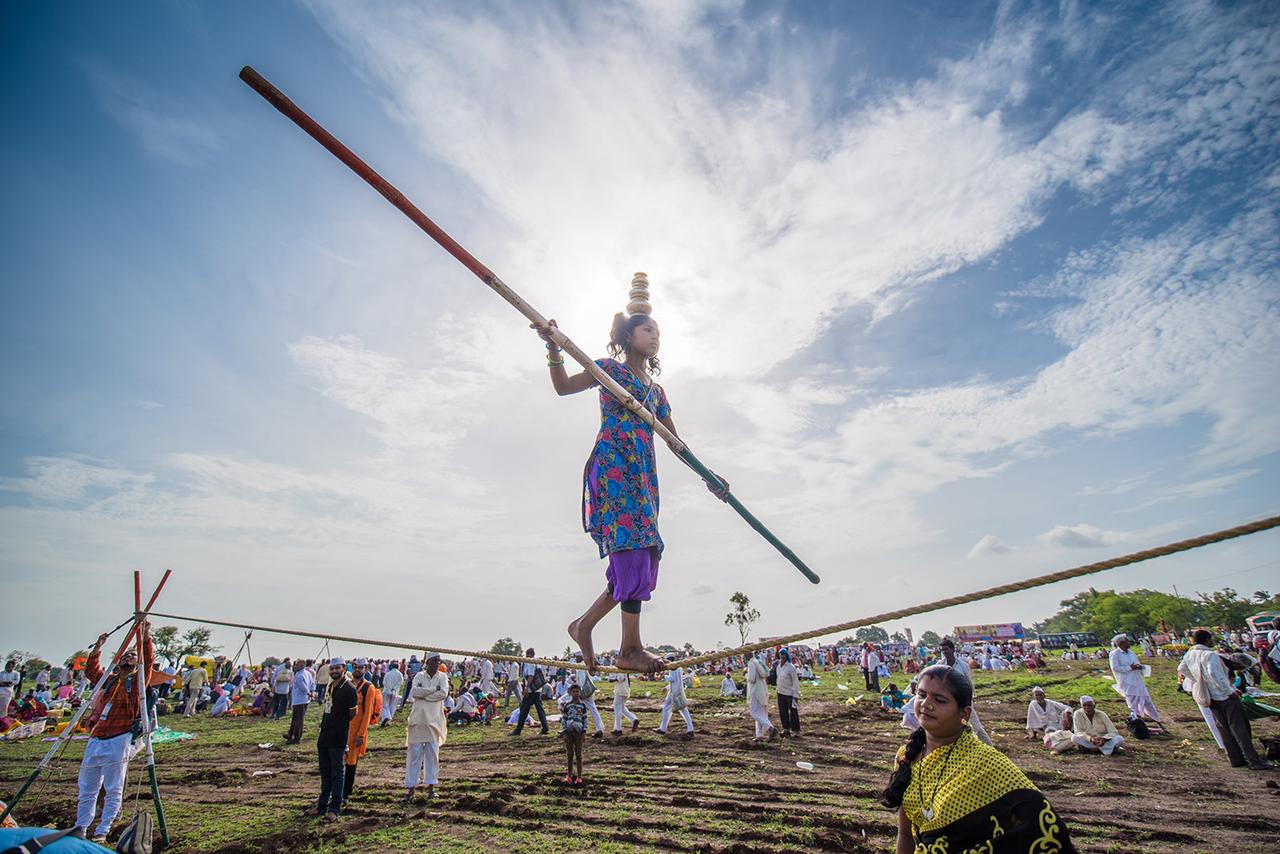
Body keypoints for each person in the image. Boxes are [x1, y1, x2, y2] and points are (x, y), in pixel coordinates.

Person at [532, 273, 728, 673]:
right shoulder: (607, 371)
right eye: (647, 329)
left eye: (657, 331)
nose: (655, 336)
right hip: (615, 469)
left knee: (644, 553)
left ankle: (584, 625)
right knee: (631, 548)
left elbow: (677, 444)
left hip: (643, 476)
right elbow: (564, 387)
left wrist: (711, 477)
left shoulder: (656, 393)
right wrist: (553, 348)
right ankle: (630, 648)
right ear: (627, 335)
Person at [882, 665, 1075, 854]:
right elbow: (905, 833)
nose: (926, 704)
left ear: (964, 714)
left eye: (940, 700)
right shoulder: (905, 756)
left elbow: (1040, 827)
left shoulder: (987, 762)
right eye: (922, 695)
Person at [75, 624, 154, 843]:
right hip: (97, 738)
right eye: (126, 654)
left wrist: (146, 637)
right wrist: (98, 647)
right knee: (87, 788)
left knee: (113, 787)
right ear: (118, 662)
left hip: (119, 738)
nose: (129, 657)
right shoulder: (109, 680)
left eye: (133, 655)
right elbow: (91, 671)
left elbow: (147, 662)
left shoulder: (137, 682)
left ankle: (103, 829)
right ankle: (80, 826)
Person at [1178, 629, 1273, 770]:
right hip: (1225, 697)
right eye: (1210, 639)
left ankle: (1236, 759)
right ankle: (1254, 761)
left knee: (1224, 729)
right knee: (1241, 729)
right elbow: (1215, 674)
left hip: (1211, 697)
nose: (1212, 641)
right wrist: (1230, 691)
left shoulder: (1191, 654)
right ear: (1206, 640)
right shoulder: (1210, 655)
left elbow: (1182, 668)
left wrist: (1199, 679)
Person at [312, 659, 356, 822]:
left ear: (344, 669)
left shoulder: (349, 688)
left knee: (337, 773)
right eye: (332, 668)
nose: (335, 671)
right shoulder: (331, 686)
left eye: (337, 668)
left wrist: (339, 722)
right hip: (325, 735)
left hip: (338, 736)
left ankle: (334, 808)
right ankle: (322, 805)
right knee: (325, 772)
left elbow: (353, 714)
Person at [405, 652, 449, 802]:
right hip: (418, 721)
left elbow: (443, 694)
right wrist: (432, 691)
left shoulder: (442, 677)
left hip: (434, 722)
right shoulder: (419, 676)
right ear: (428, 662)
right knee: (414, 757)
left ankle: (431, 788)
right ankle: (411, 790)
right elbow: (415, 692)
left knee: (432, 756)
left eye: (438, 661)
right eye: (434, 661)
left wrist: (424, 695)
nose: (437, 663)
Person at [937, 639, 992, 745]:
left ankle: (992, 750)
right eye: (942, 650)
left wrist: (969, 701)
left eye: (946, 649)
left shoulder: (963, 665)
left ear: (952, 650)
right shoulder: (940, 665)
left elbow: (969, 683)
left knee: (977, 728)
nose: (944, 652)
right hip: (948, 702)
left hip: (964, 701)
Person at [343, 659, 381, 803]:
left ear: (365, 669)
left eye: (361, 667)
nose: (357, 669)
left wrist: (361, 735)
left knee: (351, 761)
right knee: (340, 760)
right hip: (343, 729)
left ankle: (346, 793)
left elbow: (367, 713)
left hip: (356, 731)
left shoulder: (368, 687)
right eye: (355, 667)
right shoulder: (348, 684)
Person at [1108, 635, 1161, 723]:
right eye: (1127, 641)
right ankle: (1137, 722)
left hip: (1138, 680)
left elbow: (1136, 663)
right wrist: (1130, 667)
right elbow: (1115, 668)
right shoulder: (1115, 654)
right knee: (1133, 702)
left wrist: (1140, 667)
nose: (1129, 643)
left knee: (1146, 700)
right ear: (1121, 643)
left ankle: (1157, 719)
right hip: (1127, 682)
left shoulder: (1131, 653)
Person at [511, 650, 549, 736]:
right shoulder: (536, 662)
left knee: (523, 709)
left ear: (529, 654)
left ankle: (518, 730)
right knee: (539, 710)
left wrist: (527, 688)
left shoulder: (531, 663)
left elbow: (531, 676)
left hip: (532, 690)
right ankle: (545, 727)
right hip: (536, 690)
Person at [746, 652, 778, 742]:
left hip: (755, 691)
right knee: (761, 714)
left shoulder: (752, 664)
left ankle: (771, 729)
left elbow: (751, 679)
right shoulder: (758, 662)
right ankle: (759, 735)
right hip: (763, 690)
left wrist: (745, 674)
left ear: (747, 654)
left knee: (754, 712)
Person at [656, 665, 694, 739]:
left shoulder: (674, 670)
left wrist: (664, 676)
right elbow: (676, 681)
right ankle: (690, 729)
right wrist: (667, 687)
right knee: (672, 709)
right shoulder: (678, 669)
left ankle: (663, 729)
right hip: (675, 692)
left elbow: (672, 679)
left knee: (678, 710)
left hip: (675, 693)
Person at [561, 683, 588, 785]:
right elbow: (564, 719)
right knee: (569, 754)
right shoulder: (567, 705)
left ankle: (579, 777)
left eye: (577, 691)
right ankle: (569, 776)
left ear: (579, 692)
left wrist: (584, 731)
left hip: (579, 732)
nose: (576, 693)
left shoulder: (582, 705)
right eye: (574, 692)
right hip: (569, 731)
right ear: (570, 693)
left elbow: (585, 719)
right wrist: (564, 732)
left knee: (578, 755)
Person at [284, 658, 315, 744]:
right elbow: (312, 683)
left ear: (301, 665)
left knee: (298, 720)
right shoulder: (307, 673)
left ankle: (296, 738)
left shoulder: (300, 675)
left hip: (299, 700)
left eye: (296, 664)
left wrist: (309, 693)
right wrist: (311, 691)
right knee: (295, 718)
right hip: (303, 700)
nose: (295, 666)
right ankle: (290, 734)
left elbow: (303, 687)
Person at [775, 649, 801, 736]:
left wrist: (796, 694)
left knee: (793, 711)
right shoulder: (779, 666)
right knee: (783, 711)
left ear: (786, 656)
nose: (782, 657)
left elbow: (795, 681)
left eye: (783, 655)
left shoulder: (791, 667)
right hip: (780, 692)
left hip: (790, 693)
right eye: (780, 655)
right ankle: (786, 728)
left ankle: (796, 730)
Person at [380, 660, 404, 727]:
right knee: (392, 706)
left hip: (386, 691)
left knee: (385, 706)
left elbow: (384, 682)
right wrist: (394, 688)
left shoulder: (388, 673)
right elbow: (401, 682)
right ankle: (389, 721)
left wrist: (390, 688)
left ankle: (386, 717)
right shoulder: (400, 674)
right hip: (395, 692)